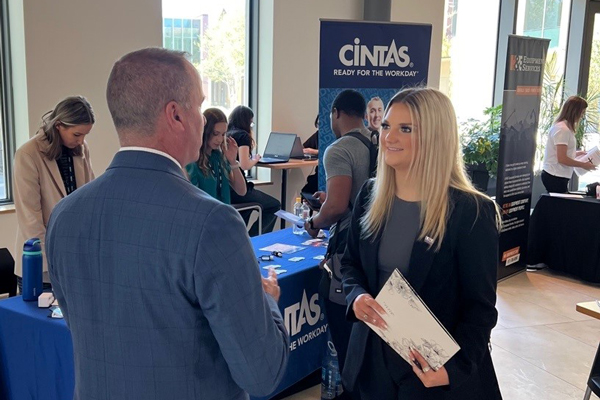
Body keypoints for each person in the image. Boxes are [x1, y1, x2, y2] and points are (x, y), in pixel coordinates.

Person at [46, 48, 288, 400]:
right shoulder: (213, 223)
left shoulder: (65, 215)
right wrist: (267, 301)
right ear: (176, 116)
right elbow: (263, 373)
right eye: (200, 106)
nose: (204, 121)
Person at [340, 87, 502, 400]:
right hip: (373, 366)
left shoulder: (470, 211)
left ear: (435, 137)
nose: (389, 137)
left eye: (406, 129)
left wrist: (453, 370)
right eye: (386, 126)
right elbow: (350, 264)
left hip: (431, 375)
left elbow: (480, 310)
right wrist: (357, 297)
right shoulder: (370, 196)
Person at [304, 89, 373, 400]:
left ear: (335, 114)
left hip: (346, 254)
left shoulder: (338, 149)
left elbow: (335, 209)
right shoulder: (378, 142)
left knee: (344, 339)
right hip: (373, 247)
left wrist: (311, 223)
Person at [13, 96, 95, 293]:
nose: (81, 141)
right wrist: (52, 263)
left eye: (85, 135)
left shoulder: (80, 149)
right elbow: (30, 218)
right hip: (40, 265)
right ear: (59, 125)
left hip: (73, 261)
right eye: (76, 134)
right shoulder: (28, 154)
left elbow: (89, 198)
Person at [227, 105, 281, 236]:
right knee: (274, 205)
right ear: (247, 120)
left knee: (247, 210)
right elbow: (245, 165)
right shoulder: (243, 136)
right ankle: (253, 238)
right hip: (240, 189)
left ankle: (245, 239)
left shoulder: (227, 134)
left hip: (228, 188)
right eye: (251, 121)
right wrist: (256, 159)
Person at [186, 108, 247, 203]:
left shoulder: (219, 157)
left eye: (223, 134)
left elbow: (241, 191)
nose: (220, 139)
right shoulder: (193, 159)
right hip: (206, 214)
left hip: (223, 213)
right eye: (215, 134)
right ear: (205, 131)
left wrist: (233, 162)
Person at [542, 96, 595, 193]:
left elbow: (561, 153)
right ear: (575, 112)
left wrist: (576, 154)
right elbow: (562, 159)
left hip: (557, 175)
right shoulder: (562, 130)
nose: (582, 116)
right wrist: (583, 165)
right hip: (555, 175)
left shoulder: (564, 127)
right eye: (582, 113)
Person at [301, 114, 319, 194]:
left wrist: (315, 152)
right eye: (318, 124)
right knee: (305, 191)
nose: (319, 127)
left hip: (327, 174)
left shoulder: (334, 136)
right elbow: (304, 147)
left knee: (308, 189)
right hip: (318, 173)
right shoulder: (318, 134)